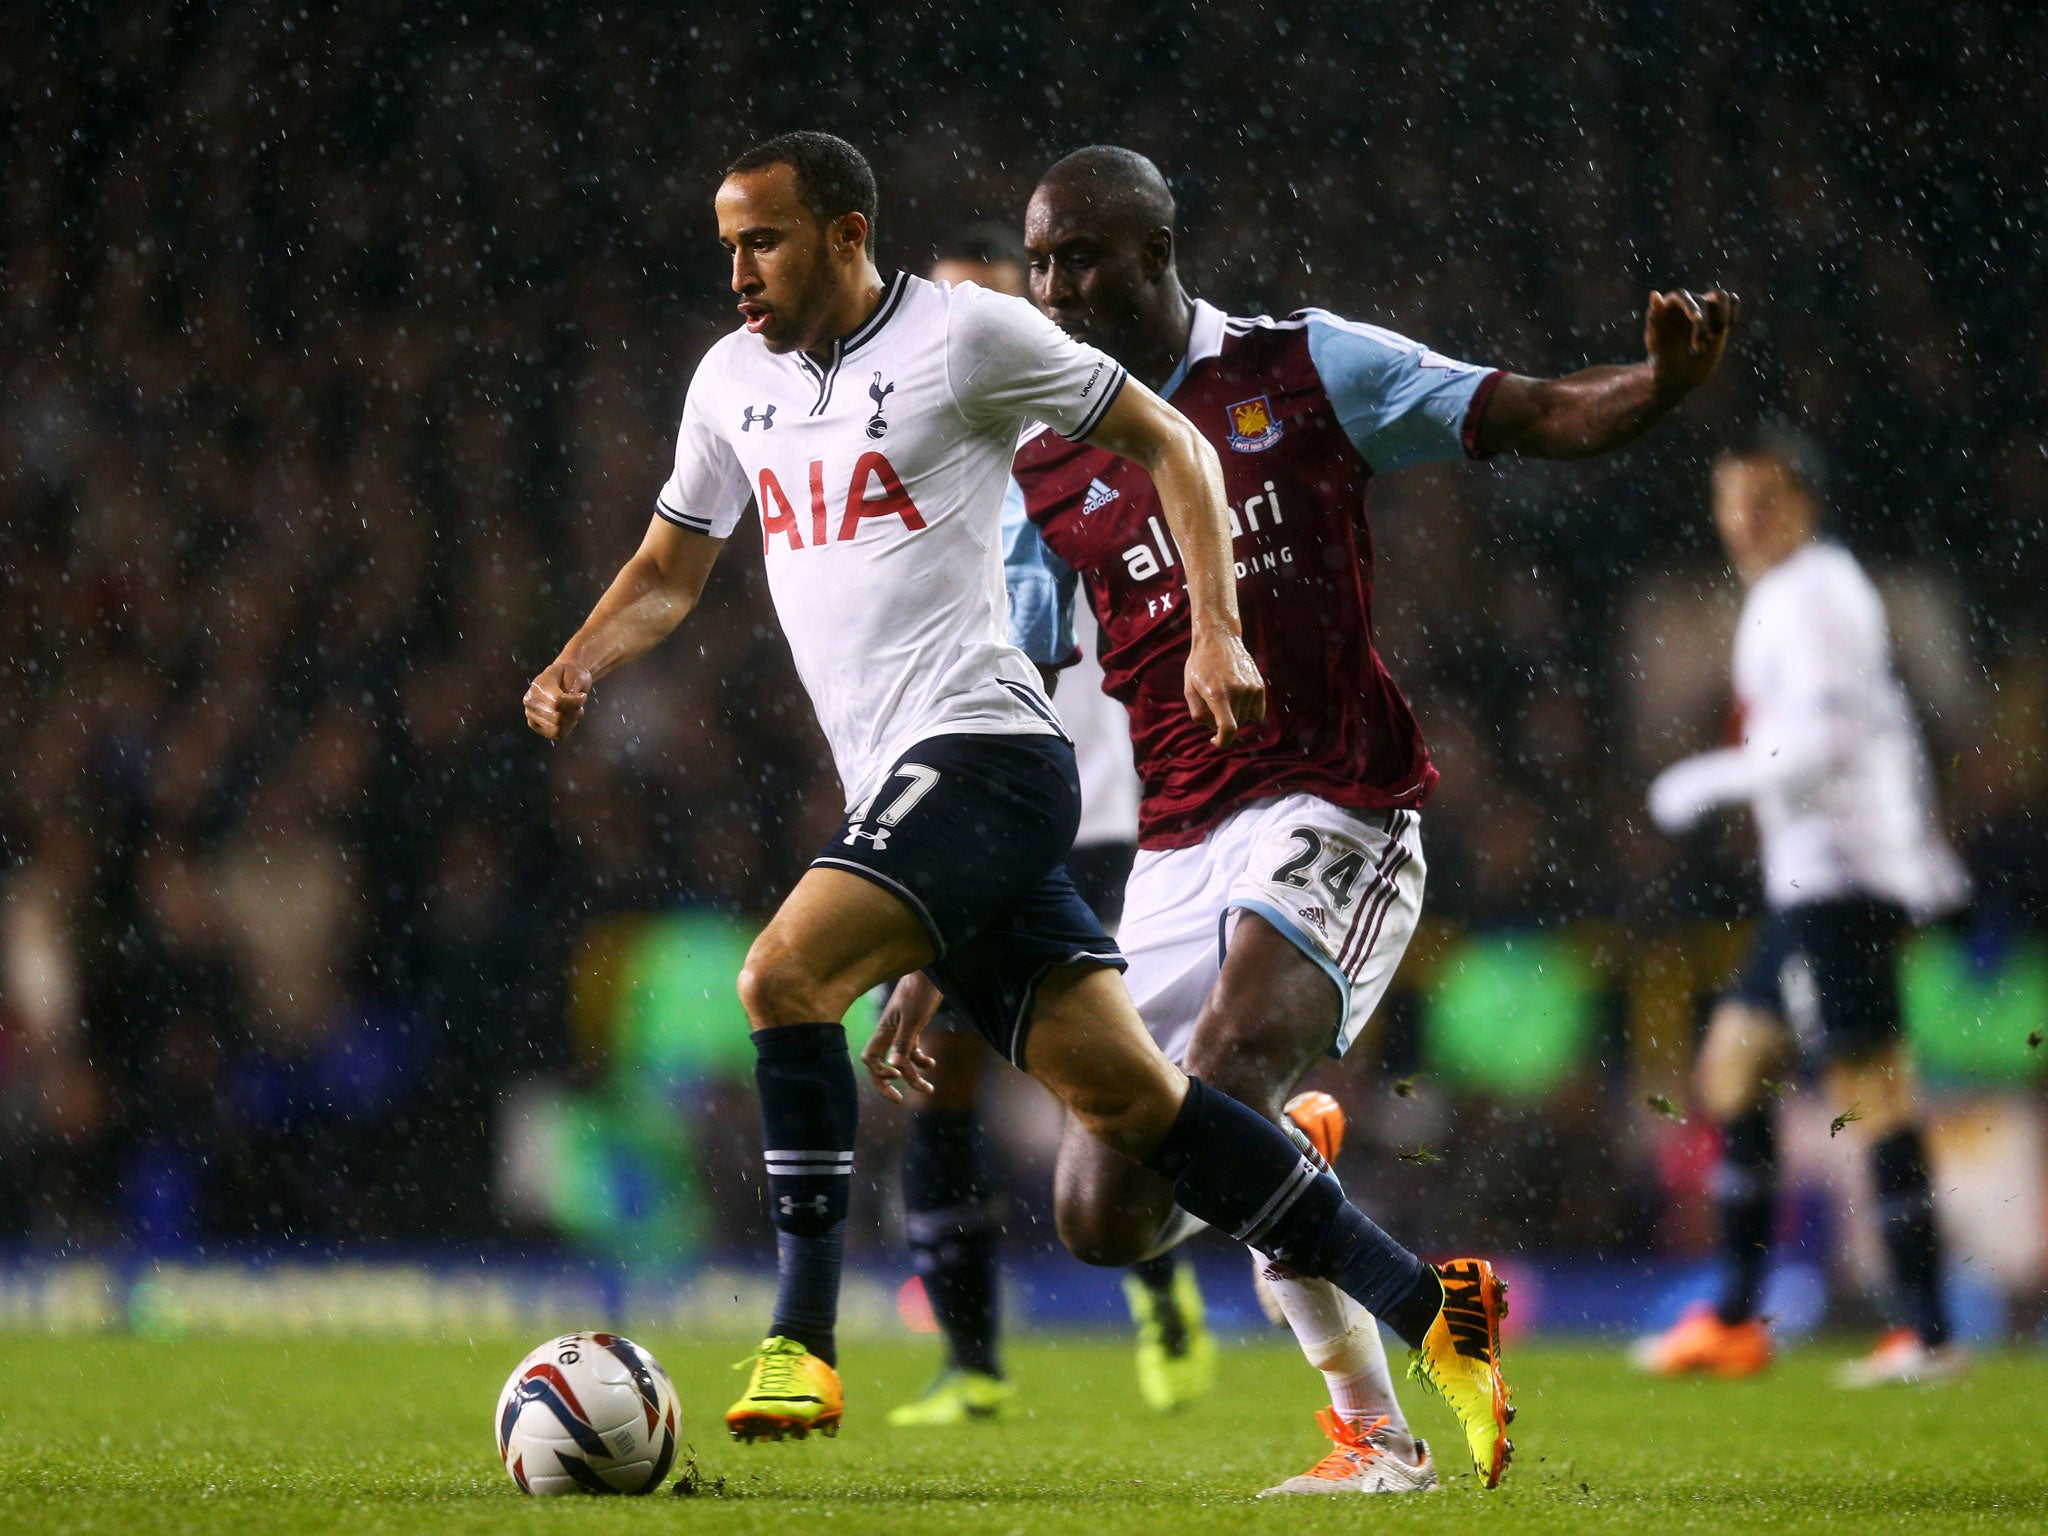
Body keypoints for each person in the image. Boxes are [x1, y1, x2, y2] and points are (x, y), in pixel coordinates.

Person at [522, 131, 1515, 1487]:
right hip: (908, 787)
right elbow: (667, 566)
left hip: (988, 750)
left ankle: (800, 1340)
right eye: (726, 246)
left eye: (762, 239)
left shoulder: (966, 336)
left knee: (783, 974)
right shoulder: (728, 385)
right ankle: (1429, 1308)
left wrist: (1215, 628)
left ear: (844, 230)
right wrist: (578, 660)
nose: (738, 271)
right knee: (1140, 1120)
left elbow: (1168, 433)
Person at [868, 144, 1737, 1494]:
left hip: (1339, 803)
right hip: (1172, 844)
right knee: (1104, 1214)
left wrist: (1663, 389)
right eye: (1039, 263)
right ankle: (1330, 1252)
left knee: (1222, 1079)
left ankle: (1378, 1413)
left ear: (1158, 252)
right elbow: (1016, 724)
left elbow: (1535, 414)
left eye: (1079, 257)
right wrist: (943, 926)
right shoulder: (1044, 465)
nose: (1053, 287)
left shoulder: (1302, 369)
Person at [888, 229, 1188, 1430]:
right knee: (936, 1074)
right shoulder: (916, 472)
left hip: (1096, 815)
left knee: (1103, 1079)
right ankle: (970, 1361)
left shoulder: (1082, 447)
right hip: (972, 808)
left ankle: (1160, 1286)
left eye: (985, 313)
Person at [1635, 431, 1970, 1387]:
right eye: (1730, 499)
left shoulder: (1817, 594)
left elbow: (1825, 744)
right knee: (1733, 1066)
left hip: (1844, 882)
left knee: (1871, 1091)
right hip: (1815, 885)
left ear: (1805, 506)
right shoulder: (1793, 595)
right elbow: (1880, 732)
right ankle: (1737, 1317)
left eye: (1765, 499)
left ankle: (1929, 1332)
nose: (1743, 519)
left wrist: (1715, 779)